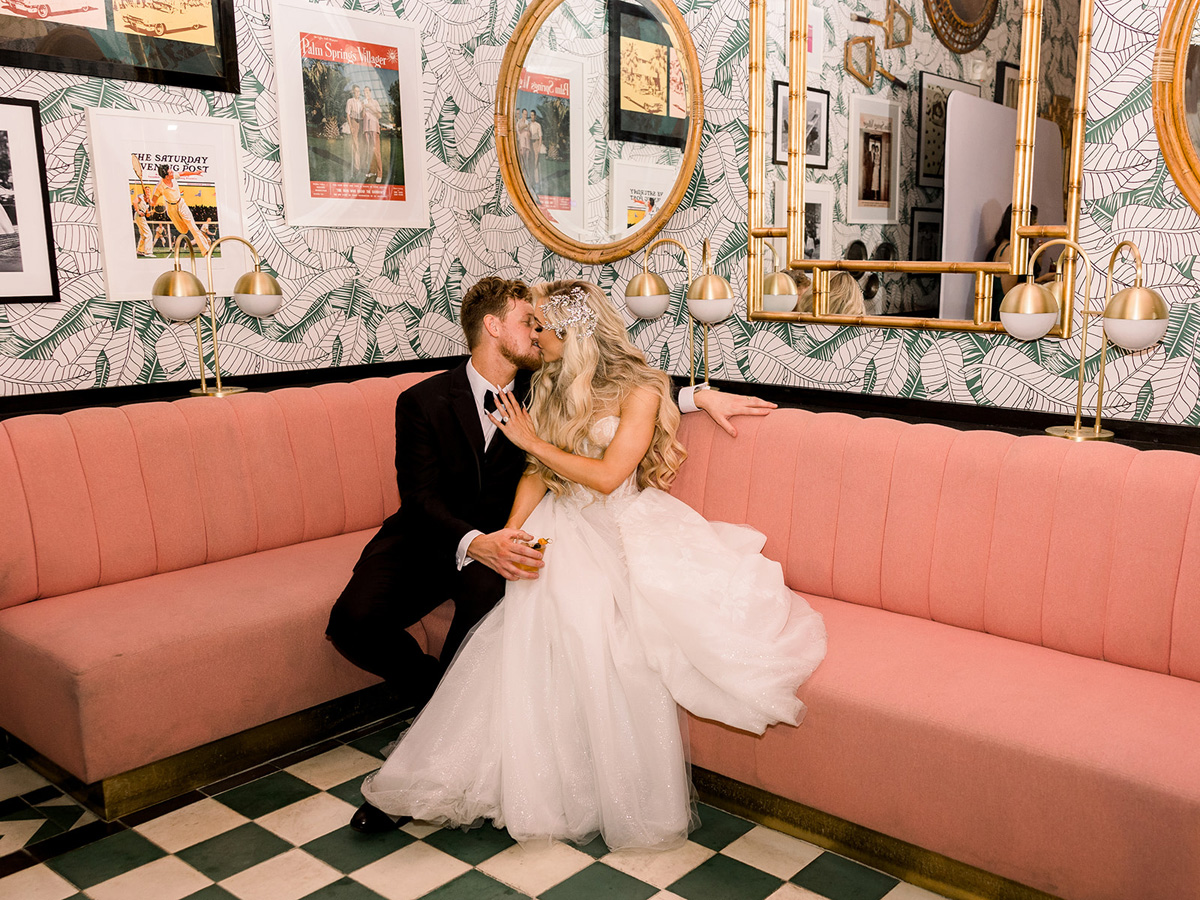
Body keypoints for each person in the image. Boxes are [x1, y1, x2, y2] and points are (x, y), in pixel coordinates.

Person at [359, 281, 826, 850]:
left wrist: (698, 396)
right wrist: (512, 532)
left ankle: (586, 783)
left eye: (543, 328)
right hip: (546, 520)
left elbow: (606, 476)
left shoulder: (631, 388)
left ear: (571, 334)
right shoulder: (546, 382)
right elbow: (533, 474)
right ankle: (449, 768)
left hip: (622, 523)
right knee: (516, 618)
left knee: (590, 624)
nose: (535, 338)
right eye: (529, 326)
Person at [149, 165, 210, 254]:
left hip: (181, 204)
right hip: (171, 209)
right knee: (183, 230)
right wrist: (148, 200)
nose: (172, 172)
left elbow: (183, 173)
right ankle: (185, 228)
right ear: (166, 176)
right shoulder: (159, 187)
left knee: (193, 227)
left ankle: (206, 251)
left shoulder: (173, 176)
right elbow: (153, 202)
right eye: (170, 172)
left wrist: (195, 173)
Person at [362, 86, 383, 183]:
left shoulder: (375, 102)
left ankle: (379, 173)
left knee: (376, 151)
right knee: (369, 151)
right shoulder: (363, 102)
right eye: (364, 92)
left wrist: (370, 107)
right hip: (366, 128)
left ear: (370, 92)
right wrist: (363, 108)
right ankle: (372, 171)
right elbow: (363, 117)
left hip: (374, 128)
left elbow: (379, 115)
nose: (366, 93)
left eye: (367, 91)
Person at [346, 85, 363, 171]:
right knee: (355, 144)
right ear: (353, 92)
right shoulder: (350, 101)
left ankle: (361, 165)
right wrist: (351, 126)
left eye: (359, 91)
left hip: (361, 123)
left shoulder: (361, 102)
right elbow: (348, 114)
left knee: (361, 144)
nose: (357, 93)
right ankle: (357, 166)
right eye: (356, 91)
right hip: (354, 122)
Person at [133, 190, 153, 257]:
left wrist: (150, 213)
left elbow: (146, 214)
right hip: (139, 215)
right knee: (148, 234)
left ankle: (139, 250)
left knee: (143, 235)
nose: (148, 192)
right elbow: (134, 202)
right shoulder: (140, 196)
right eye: (146, 190)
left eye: (149, 191)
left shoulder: (147, 201)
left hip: (142, 216)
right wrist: (138, 211)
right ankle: (148, 252)